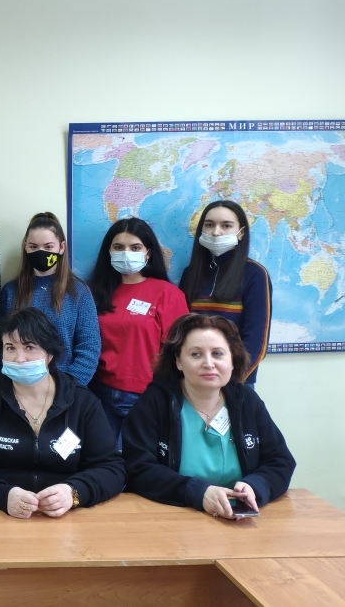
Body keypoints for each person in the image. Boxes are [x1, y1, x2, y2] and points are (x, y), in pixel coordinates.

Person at [0, 308, 124, 607]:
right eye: (10, 348)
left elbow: (111, 467)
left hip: (63, 523)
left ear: (50, 353)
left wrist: (73, 492)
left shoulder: (82, 402)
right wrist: (1, 495)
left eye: (29, 347)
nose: (19, 358)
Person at [122, 314, 295, 518]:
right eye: (196, 354)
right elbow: (139, 469)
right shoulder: (155, 403)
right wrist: (197, 492)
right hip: (173, 515)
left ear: (233, 361)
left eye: (218, 354)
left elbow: (280, 461)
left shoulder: (246, 401)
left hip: (238, 518)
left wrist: (256, 486)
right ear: (178, 361)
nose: (209, 363)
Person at [88, 217, 189, 446]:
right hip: (100, 395)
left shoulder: (168, 294)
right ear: (108, 251)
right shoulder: (93, 292)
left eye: (135, 248)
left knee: (140, 463)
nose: (126, 254)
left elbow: (179, 351)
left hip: (147, 396)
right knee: (105, 461)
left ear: (148, 252)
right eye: (118, 247)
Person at [0, 212, 100, 386]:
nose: (41, 252)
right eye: (34, 246)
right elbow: (0, 344)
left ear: (61, 247)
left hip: (65, 389)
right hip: (18, 387)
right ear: (25, 247)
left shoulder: (79, 292)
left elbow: (89, 346)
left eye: (48, 246)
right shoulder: (10, 291)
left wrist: (69, 387)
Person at [180, 200, 272, 388]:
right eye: (209, 225)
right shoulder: (190, 273)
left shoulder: (254, 274)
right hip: (194, 380)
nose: (216, 232)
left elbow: (257, 341)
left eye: (226, 226)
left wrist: (230, 382)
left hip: (236, 383)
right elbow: (181, 331)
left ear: (241, 232)